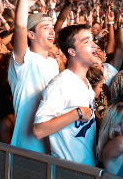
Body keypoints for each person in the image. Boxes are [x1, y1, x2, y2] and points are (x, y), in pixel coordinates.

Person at [9, 0, 59, 153]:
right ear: (31, 34)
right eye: (45, 27)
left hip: (53, 145)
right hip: (27, 148)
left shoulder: (53, 63)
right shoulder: (24, 60)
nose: (52, 31)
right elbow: (20, 26)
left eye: (52, 27)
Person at [33, 24, 99, 166]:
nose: (94, 45)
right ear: (72, 51)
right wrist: (78, 113)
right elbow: (38, 130)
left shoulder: (86, 82)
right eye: (86, 41)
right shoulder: (61, 84)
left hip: (87, 166)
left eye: (93, 40)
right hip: (68, 169)